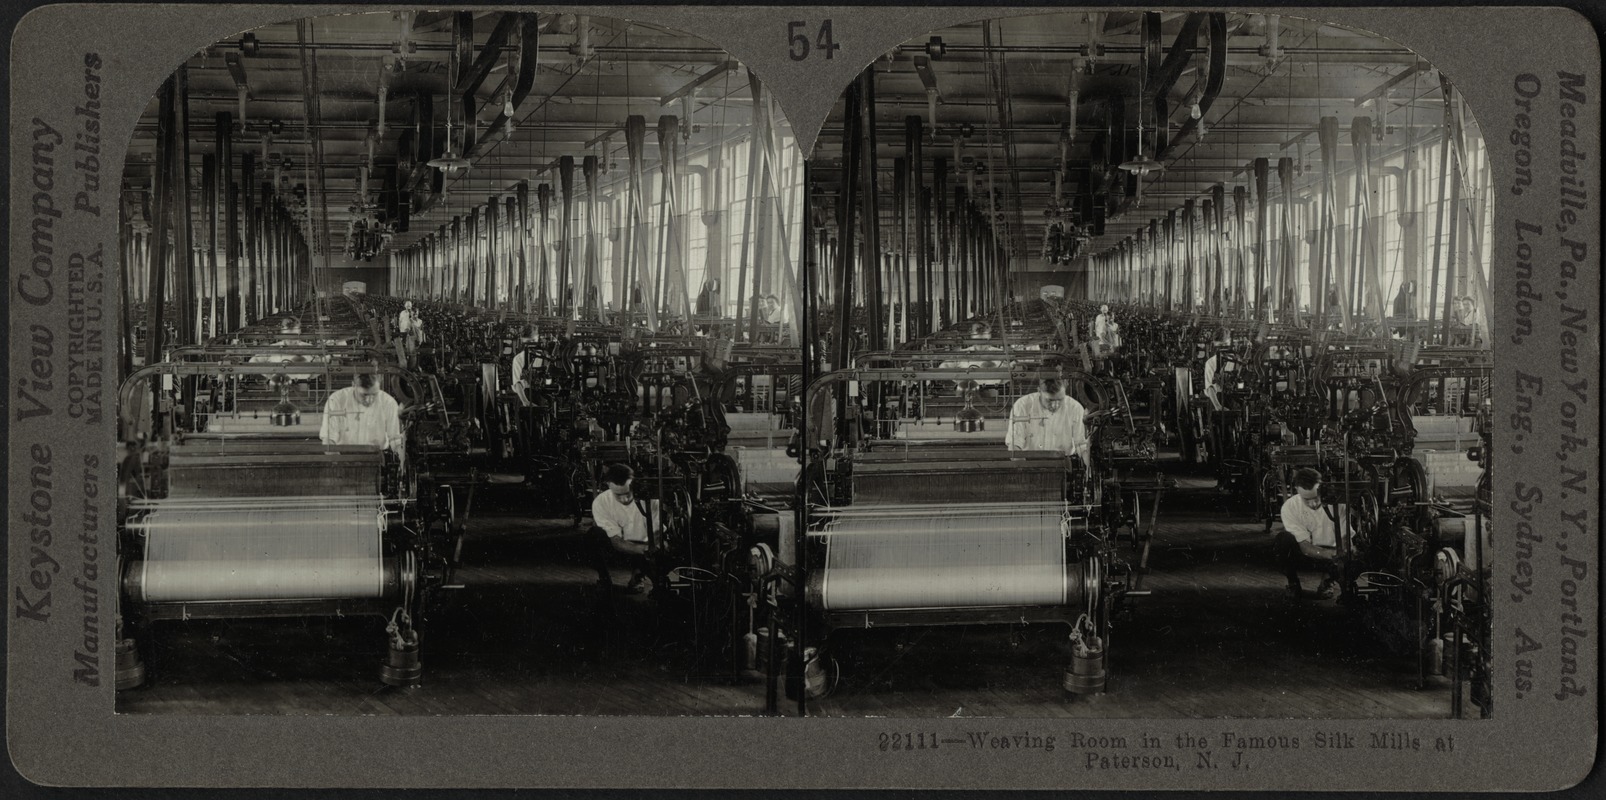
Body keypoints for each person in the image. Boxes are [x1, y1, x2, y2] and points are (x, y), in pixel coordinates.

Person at [1272, 468, 1343, 599]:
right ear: (1297, 491)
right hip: (1307, 553)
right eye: (1307, 499)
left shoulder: (1339, 503)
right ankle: (1293, 583)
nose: (1313, 503)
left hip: (1332, 555)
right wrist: (1329, 554)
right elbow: (1304, 546)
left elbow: (1345, 538)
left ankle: (1327, 582)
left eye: (1316, 497)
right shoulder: (1290, 506)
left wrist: (1341, 553)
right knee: (1282, 540)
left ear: (1321, 487)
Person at [590, 463, 656, 594]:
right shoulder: (601, 502)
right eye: (618, 495)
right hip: (621, 547)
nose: (624, 499)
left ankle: (638, 577)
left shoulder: (650, 499)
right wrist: (643, 549)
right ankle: (604, 578)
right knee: (592, 536)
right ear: (608, 485)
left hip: (643, 545)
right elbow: (615, 541)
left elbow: (658, 532)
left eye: (627, 493)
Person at [1005, 377, 1089, 463]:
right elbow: (1014, 445)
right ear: (1039, 391)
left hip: (1064, 464)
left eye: (1060, 399)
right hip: (1029, 463)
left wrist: (1088, 465)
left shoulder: (1075, 408)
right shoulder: (1022, 406)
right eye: (1050, 400)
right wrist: (1025, 470)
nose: (1055, 405)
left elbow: (1082, 445)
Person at [320, 373, 403, 453]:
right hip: (343, 456)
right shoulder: (336, 400)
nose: (369, 400)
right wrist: (337, 462)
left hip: (377, 458)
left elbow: (395, 439)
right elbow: (328, 439)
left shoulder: (389, 403)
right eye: (364, 395)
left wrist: (401, 456)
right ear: (353, 385)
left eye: (374, 394)